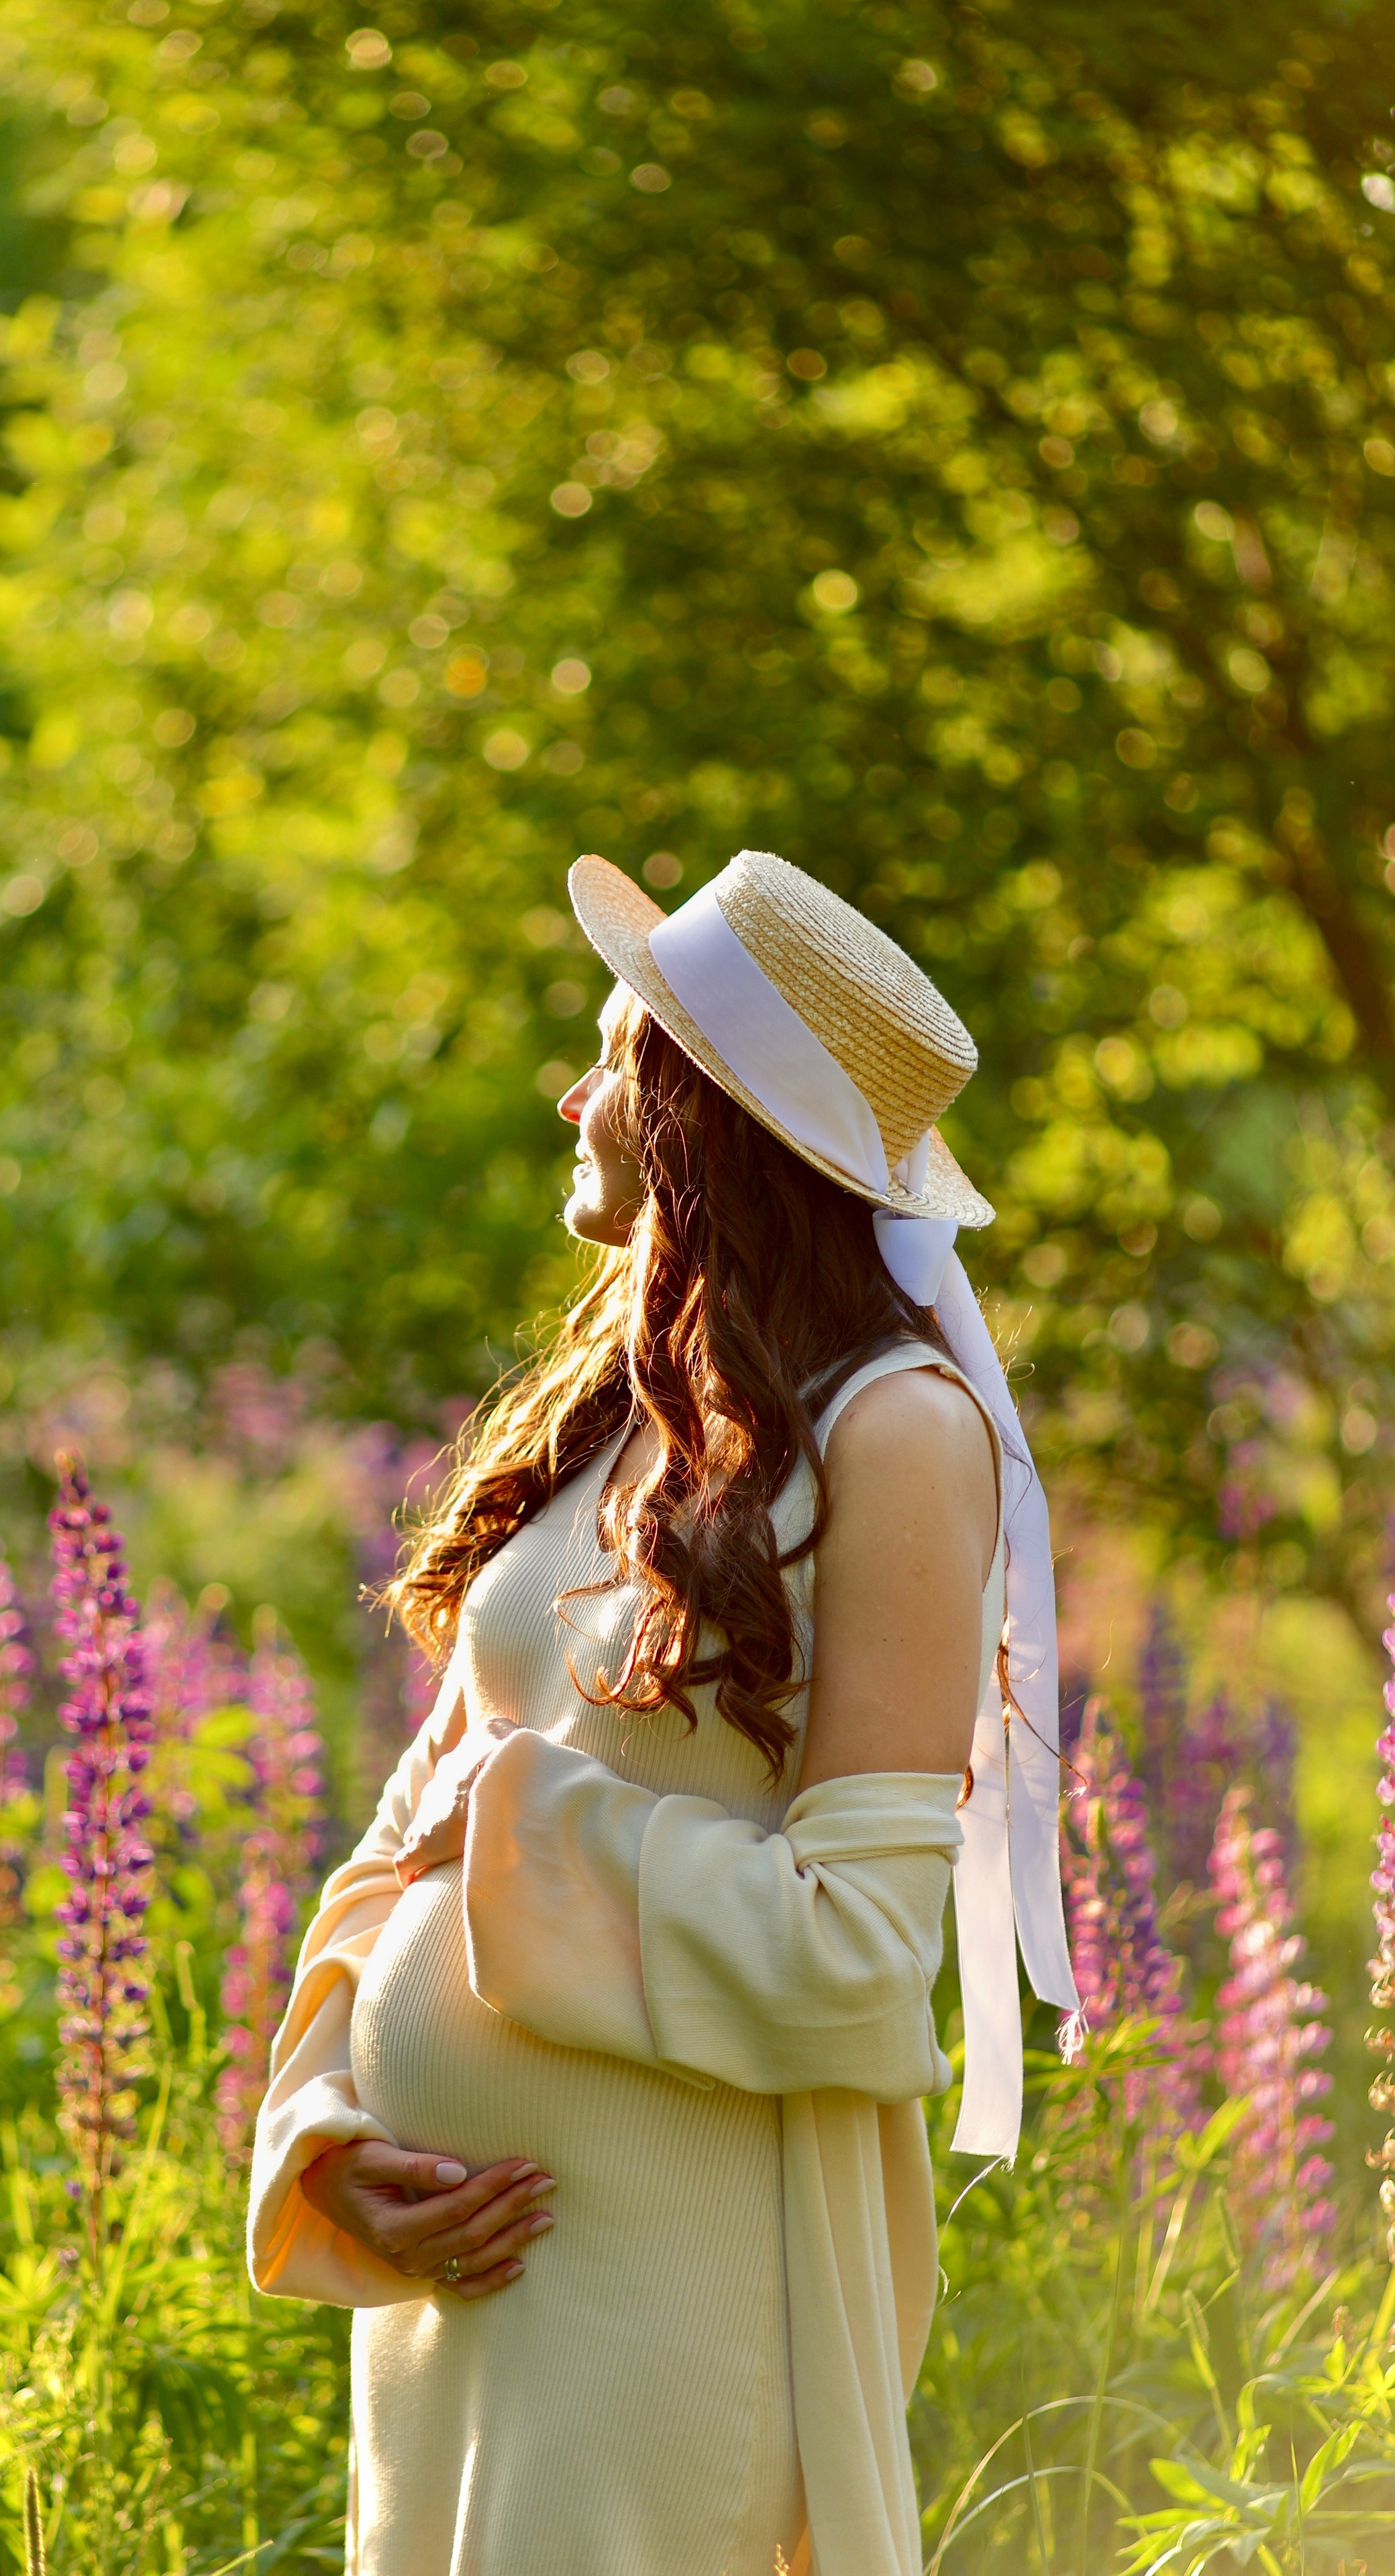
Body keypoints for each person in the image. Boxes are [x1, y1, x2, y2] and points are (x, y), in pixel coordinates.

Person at [248, 848, 1078, 2576]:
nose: (572, 1089)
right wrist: (327, 2127)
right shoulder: (619, 1423)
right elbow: (413, 1828)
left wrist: (540, 1824)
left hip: (667, 2291)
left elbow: (860, 1954)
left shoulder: (898, 1435)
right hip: (459, 2304)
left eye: (613, 1050)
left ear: (706, 1107)